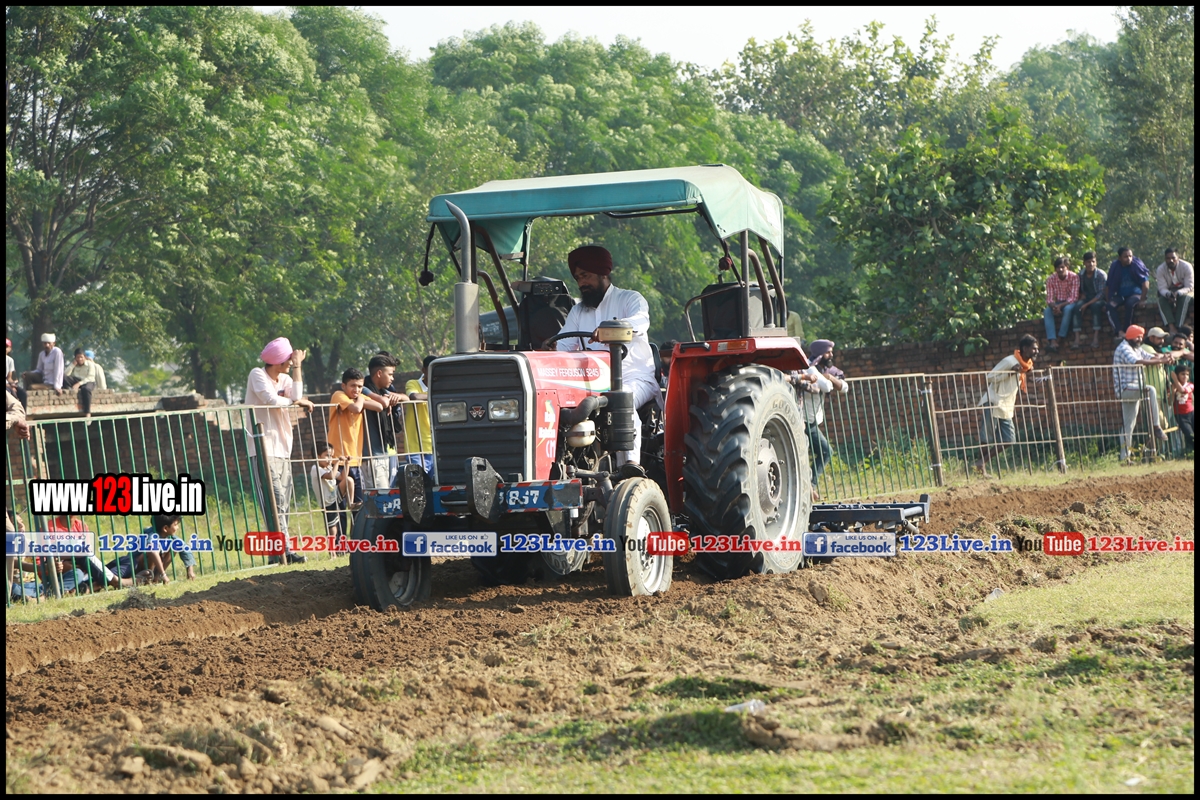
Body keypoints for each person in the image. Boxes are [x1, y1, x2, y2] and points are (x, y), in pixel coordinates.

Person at [555, 245, 658, 475]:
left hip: (635, 378)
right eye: (578, 278)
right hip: (591, 385)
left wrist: (612, 329)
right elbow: (563, 346)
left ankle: (629, 468)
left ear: (603, 273)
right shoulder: (578, 312)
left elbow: (641, 321)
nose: (582, 283)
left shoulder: (630, 299)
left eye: (586, 276)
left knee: (623, 400)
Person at [244, 337, 315, 565]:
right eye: (289, 360)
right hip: (262, 447)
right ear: (278, 360)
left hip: (283, 448)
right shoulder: (257, 374)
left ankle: (279, 552)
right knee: (272, 499)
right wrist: (295, 402)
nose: (291, 363)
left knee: (283, 500)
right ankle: (283, 550)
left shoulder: (285, 378)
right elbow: (271, 400)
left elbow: (296, 395)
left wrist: (298, 369)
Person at [789, 339, 849, 501]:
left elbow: (844, 387)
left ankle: (809, 487)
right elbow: (827, 387)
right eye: (828, 352)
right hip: (803, 420)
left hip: (812, 421)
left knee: (817, 453)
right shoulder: (809, 367)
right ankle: (809, 487)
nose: (831, 355)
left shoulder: (827, 370)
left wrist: (830, 377)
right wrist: (827, 379)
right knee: (824, 451)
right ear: (820, 354)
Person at [973, 334, 1039, 475]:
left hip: (1006, 406)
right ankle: (981, 470)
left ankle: (981, 462)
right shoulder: (1010, 361)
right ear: (1025, 348)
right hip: (994, 401)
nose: (1036, 351)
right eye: (1034, 349)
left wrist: (1022, 371)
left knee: (1009, 439)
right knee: (987, 437)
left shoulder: (1025, 366)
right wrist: (1009, 372)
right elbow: (990, 377)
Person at [1112, 325, 1176, 462]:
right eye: (1137, 336)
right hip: (1125, 389)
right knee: (1150, 390)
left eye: (1141, 337)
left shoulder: (1136, 348)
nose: (1140, 339)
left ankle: (1124, 458)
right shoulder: (1124, 348)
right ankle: (1156, 426)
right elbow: (1138, 361)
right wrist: (1161, 360)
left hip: (1134, 389)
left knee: (1129, 425)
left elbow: (1150, 356)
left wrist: (1165, 356)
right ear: (1129, 336)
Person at [329, 367, 384, 509]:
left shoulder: (358, 398)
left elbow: (379, 406)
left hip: (355, 459)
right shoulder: (339, 395)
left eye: (360, 386)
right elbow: (356, 409)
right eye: (353, 386)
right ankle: (339, 524)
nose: (357, 390)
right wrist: (361, 399)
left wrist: (360, 399)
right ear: (344, 386)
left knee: (358, 504)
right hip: (339, 459)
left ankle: (355, 524)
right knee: (338, 505)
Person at [105, 514, 196, 584]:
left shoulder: (169, 536)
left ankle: (156, 577)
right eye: (175, 525)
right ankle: (149, 578)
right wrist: (164, 574)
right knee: (152, 552)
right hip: (135, 567)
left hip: (151, 567)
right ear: (165, 528)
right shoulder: (150, 534)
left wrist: (190, 570)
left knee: (175, 547)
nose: (178, 527)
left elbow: (184, 548)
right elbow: (152, 551)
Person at [361, 353, 405, 490]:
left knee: (385, 493)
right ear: (379, 373)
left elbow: (407, 398)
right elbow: (384, 402)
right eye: (390, 374)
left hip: (382, 453)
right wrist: (388, 400)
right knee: (381, 495)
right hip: (370, 456)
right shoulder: (362, 389)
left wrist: (396, 397)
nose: (392, 378)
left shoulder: (384, 391)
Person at [309, 441, 351, 544]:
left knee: (349, 480)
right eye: (327, 456)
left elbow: (342, 477)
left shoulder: (328, 467)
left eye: (331, 456)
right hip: (327, 502)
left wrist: (347, 463)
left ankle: (351, 503)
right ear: (318, 456)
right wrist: (337, 463)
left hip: (335, 495)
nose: (330, 459)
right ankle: (332, 548)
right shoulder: (316, 468)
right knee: (333, 528)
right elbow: (331, 476)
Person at [1105, 248, 1151, 340]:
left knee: (1129, 304)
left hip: (1135, 294)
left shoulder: (1136, 265)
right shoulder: (1115, 267)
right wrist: (1108, 300)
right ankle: (1119, 331)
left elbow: (1145, 283)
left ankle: (1127, 331)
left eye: (1130, 256)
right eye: (1125, 257)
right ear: (1119, 258)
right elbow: (1108, 285)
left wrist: (1142, 299)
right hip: (1120, 295)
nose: (1129, 258)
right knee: (1110, 306)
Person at [402, 355, 435, 473]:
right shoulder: (413, 384)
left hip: (435, 445)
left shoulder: (441, 385)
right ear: (424, 370)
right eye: (431, 370)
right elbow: (414, 396)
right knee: (418, 480)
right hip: (416, 446)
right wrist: (437, 395)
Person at [1043, 256, 1080, 352]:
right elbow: (1049, 298)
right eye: (1058, 267)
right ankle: (1052, 340)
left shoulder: (1074, 277)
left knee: (1068, 310)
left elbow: (1074, 297)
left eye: (1062, 267)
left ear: (1067, 267)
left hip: (1069, 303)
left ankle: (1060, 338)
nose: (1060, 270)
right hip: (1057, 303)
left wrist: (1060, 306)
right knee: (1047, 311)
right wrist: (1054, 307)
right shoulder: (1051, 279)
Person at [1073, 251, 1109, 348]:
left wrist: (1087, 304)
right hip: (1087, 298)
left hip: (1099, 299)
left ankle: (1096, 337)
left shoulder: (1101, 275)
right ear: (1084, 263)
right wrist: (1081, 296)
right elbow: (1079, 290)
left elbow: (1101, 294)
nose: (1091, 264)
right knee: (1077, 307)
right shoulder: (1081, 275)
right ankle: (1077, 338)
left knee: (1095, 307)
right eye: (1088, 262)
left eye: (1093, 261)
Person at [1155, 248, 1193, 336]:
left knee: (1184, 299)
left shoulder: (1186, 266)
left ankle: (1179, 327)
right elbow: (1162, 288)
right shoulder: (1161, 269)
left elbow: (1189, 286)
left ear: (1178, 258)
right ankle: (1172, 328)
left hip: (1188, 291)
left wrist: (1178, 293)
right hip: (1170, 292)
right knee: (1161, 300)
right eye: (1168, 258)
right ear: (1165, 259)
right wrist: (1169, 294)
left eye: (1173, 258)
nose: (1171, 260)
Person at [63, 348, 99, 420]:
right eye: (78, 357)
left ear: (84, 357)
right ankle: (68, 391)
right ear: (75, 358)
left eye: (81, 357)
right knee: (63, 378)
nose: (79, 359)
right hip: (77, 380)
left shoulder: (90, 364)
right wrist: (72, 365)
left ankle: (87, 413)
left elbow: (90, 377)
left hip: (88, 381)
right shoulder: (74, 364)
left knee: (86, 389)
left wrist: (79, 384)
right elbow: (66, 374)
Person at [1171, 363, 1194, 452]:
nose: (1185, 376)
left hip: (1191, 413)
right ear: (1177, 375)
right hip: (1180, 415)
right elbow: (1170, 402)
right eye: (1182, 374)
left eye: (1187, 374)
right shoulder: (1173, 386)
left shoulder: (1190, 385)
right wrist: (1173, 392)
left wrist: (1175, 380)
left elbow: (1182, 390)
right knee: (1189, 434)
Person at [6, 338, 28, 410]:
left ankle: (22, 414)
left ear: (10, 349)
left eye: (6, 347)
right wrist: (10, 386)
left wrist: (13, 384)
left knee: (23, 394)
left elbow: (9, 377)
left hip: (8, 385)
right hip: (7, 386)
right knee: (10, 393)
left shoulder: (10, 360)